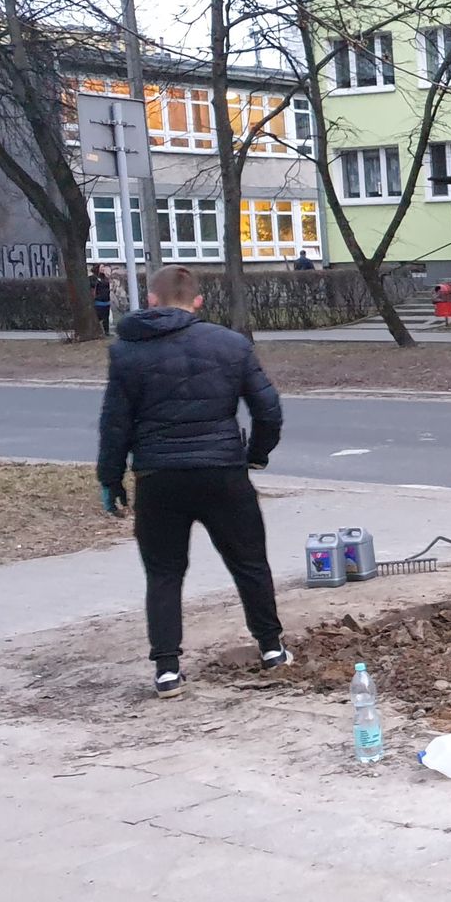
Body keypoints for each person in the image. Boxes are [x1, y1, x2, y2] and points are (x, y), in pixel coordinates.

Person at [97, 264, 290, 697]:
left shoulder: (126, 352)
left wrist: (110, 479)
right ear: (197, 301)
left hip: (158, 477)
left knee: (164, 572)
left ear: (150, 301)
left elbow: (115, 424)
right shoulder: (230, 345)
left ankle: (167, 670)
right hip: (223, 472)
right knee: (249, 563)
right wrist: (254, 456)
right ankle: (272, 648)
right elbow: (269, 411)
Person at [91, 265, 113, 336]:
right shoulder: (94, 278)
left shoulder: (105, 278)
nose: (103, 268)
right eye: (102, 267)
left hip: (106, 302)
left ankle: (106, 332)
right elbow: (92, 287)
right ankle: (97, 332)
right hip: (99, 302)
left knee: (106, 318)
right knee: (98, 317)